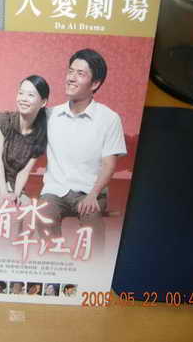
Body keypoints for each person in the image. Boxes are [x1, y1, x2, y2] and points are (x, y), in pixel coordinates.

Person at [39, 49, 127, 256]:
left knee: (92, 228)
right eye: (70, 71)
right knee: (42, 216)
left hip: (90, 191)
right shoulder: (51, 115)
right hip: (55, 190)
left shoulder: (109, 118)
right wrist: (0, 119)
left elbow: (109, 164)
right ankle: (54, 264)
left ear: (94, 84)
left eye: (80, 74)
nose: (71, 78)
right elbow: (21, 122)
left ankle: (92, 268)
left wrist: (93, 195)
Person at [0, 75, 50, 210]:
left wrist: (15, 195)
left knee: (31, 210)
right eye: (21, 93)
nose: (23, 98)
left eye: (30, 95)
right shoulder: (3, 120)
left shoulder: (40, 134)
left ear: (43, 102)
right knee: (13, 210)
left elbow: (24, 171)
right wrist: (5, 194)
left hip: (14, 189)